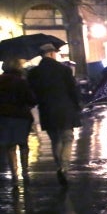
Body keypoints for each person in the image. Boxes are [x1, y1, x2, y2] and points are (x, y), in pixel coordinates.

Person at [27, 43, 82, 185]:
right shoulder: (64, 70)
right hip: (65, 110)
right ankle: (64, 167)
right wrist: (77, 105)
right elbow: (73, 90)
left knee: (55, 140)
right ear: (51, 54)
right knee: (68, 138)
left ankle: (59, 166)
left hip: (47, 110)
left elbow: (32, 93)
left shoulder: (34, 73)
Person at [0, 57, 37, 183]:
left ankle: (14, 173)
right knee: (23, 144)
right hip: (21, 116)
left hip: (4, 116)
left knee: (10, 145)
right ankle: (25, 171)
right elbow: (31, 99)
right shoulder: (21, 81)